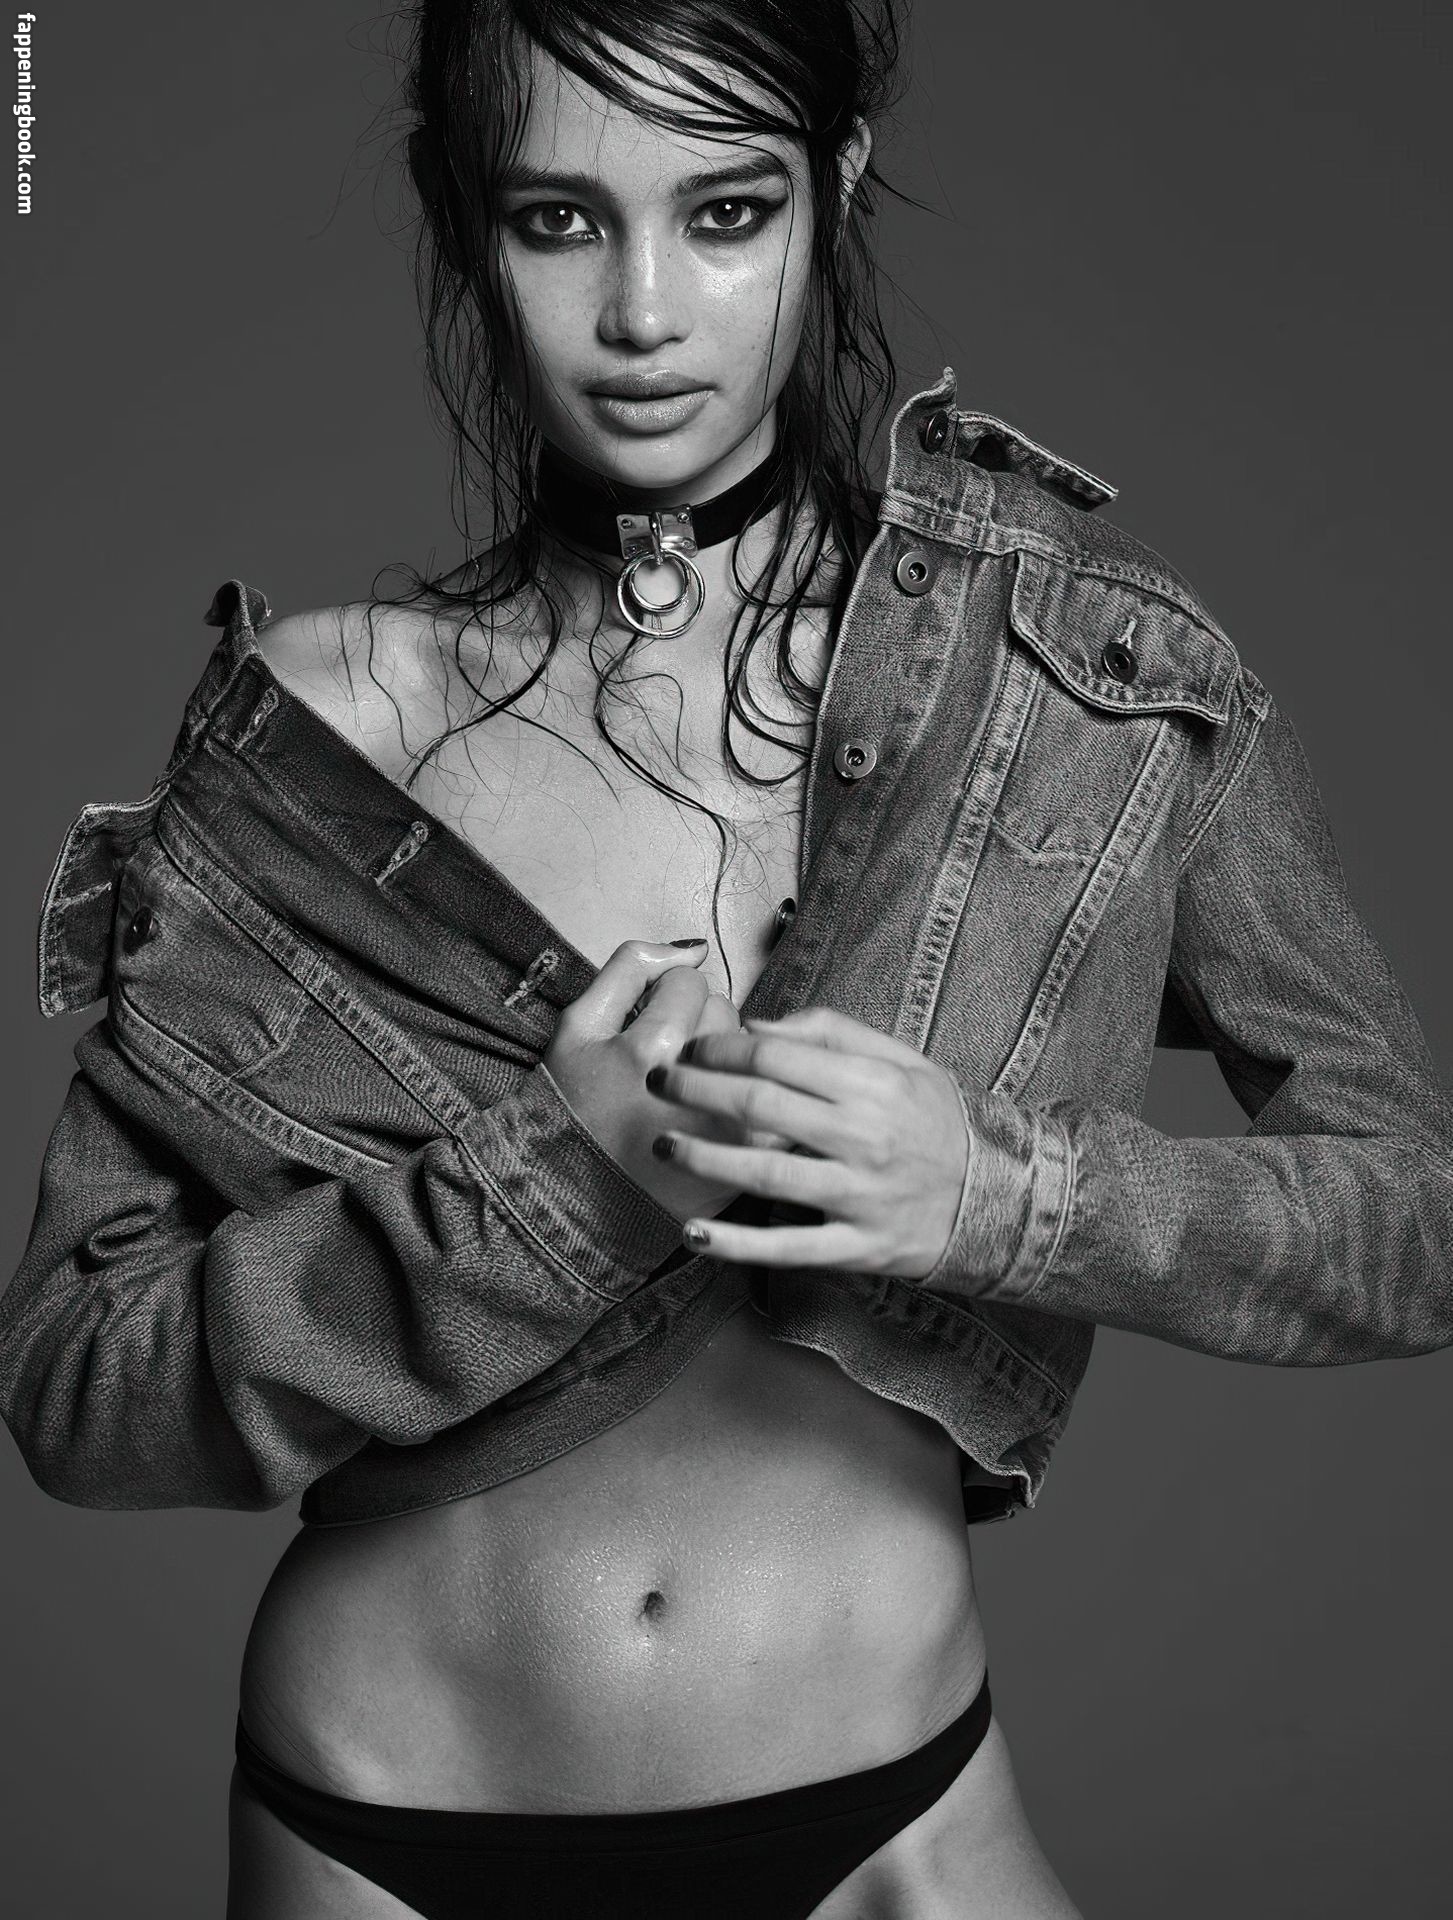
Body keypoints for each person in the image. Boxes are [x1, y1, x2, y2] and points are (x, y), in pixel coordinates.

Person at [3, 2, 1451, 1916]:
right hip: (378, 1838)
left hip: (891, 1836)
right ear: (465, 218)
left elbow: (1417, 1220)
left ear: (830, 191)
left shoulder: (1083, 688)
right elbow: (77, 1391)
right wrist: (548, 1189)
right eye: (558, 220)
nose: (643, 313)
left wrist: (999, 1197)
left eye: (725, 210)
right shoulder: (315, 737)